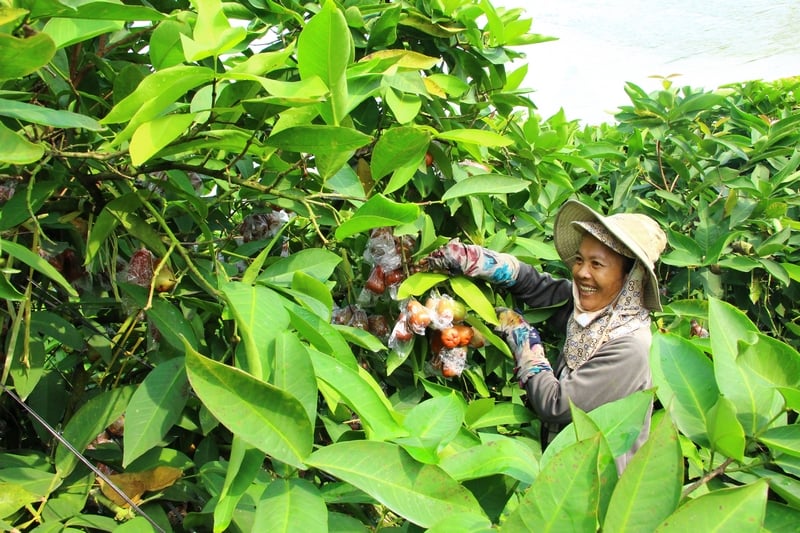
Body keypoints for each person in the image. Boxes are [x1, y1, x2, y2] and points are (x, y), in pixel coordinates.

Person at [424, 199, 667, 472]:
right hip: (562, 466)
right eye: (579, 260)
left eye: (597, 264)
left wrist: (521, 335)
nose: (582, 273)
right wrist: (479, 261)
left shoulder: (630, 347)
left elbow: (556, 404)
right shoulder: (595, 309)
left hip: (595, 485)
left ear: (630, 277)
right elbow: (537, 287)